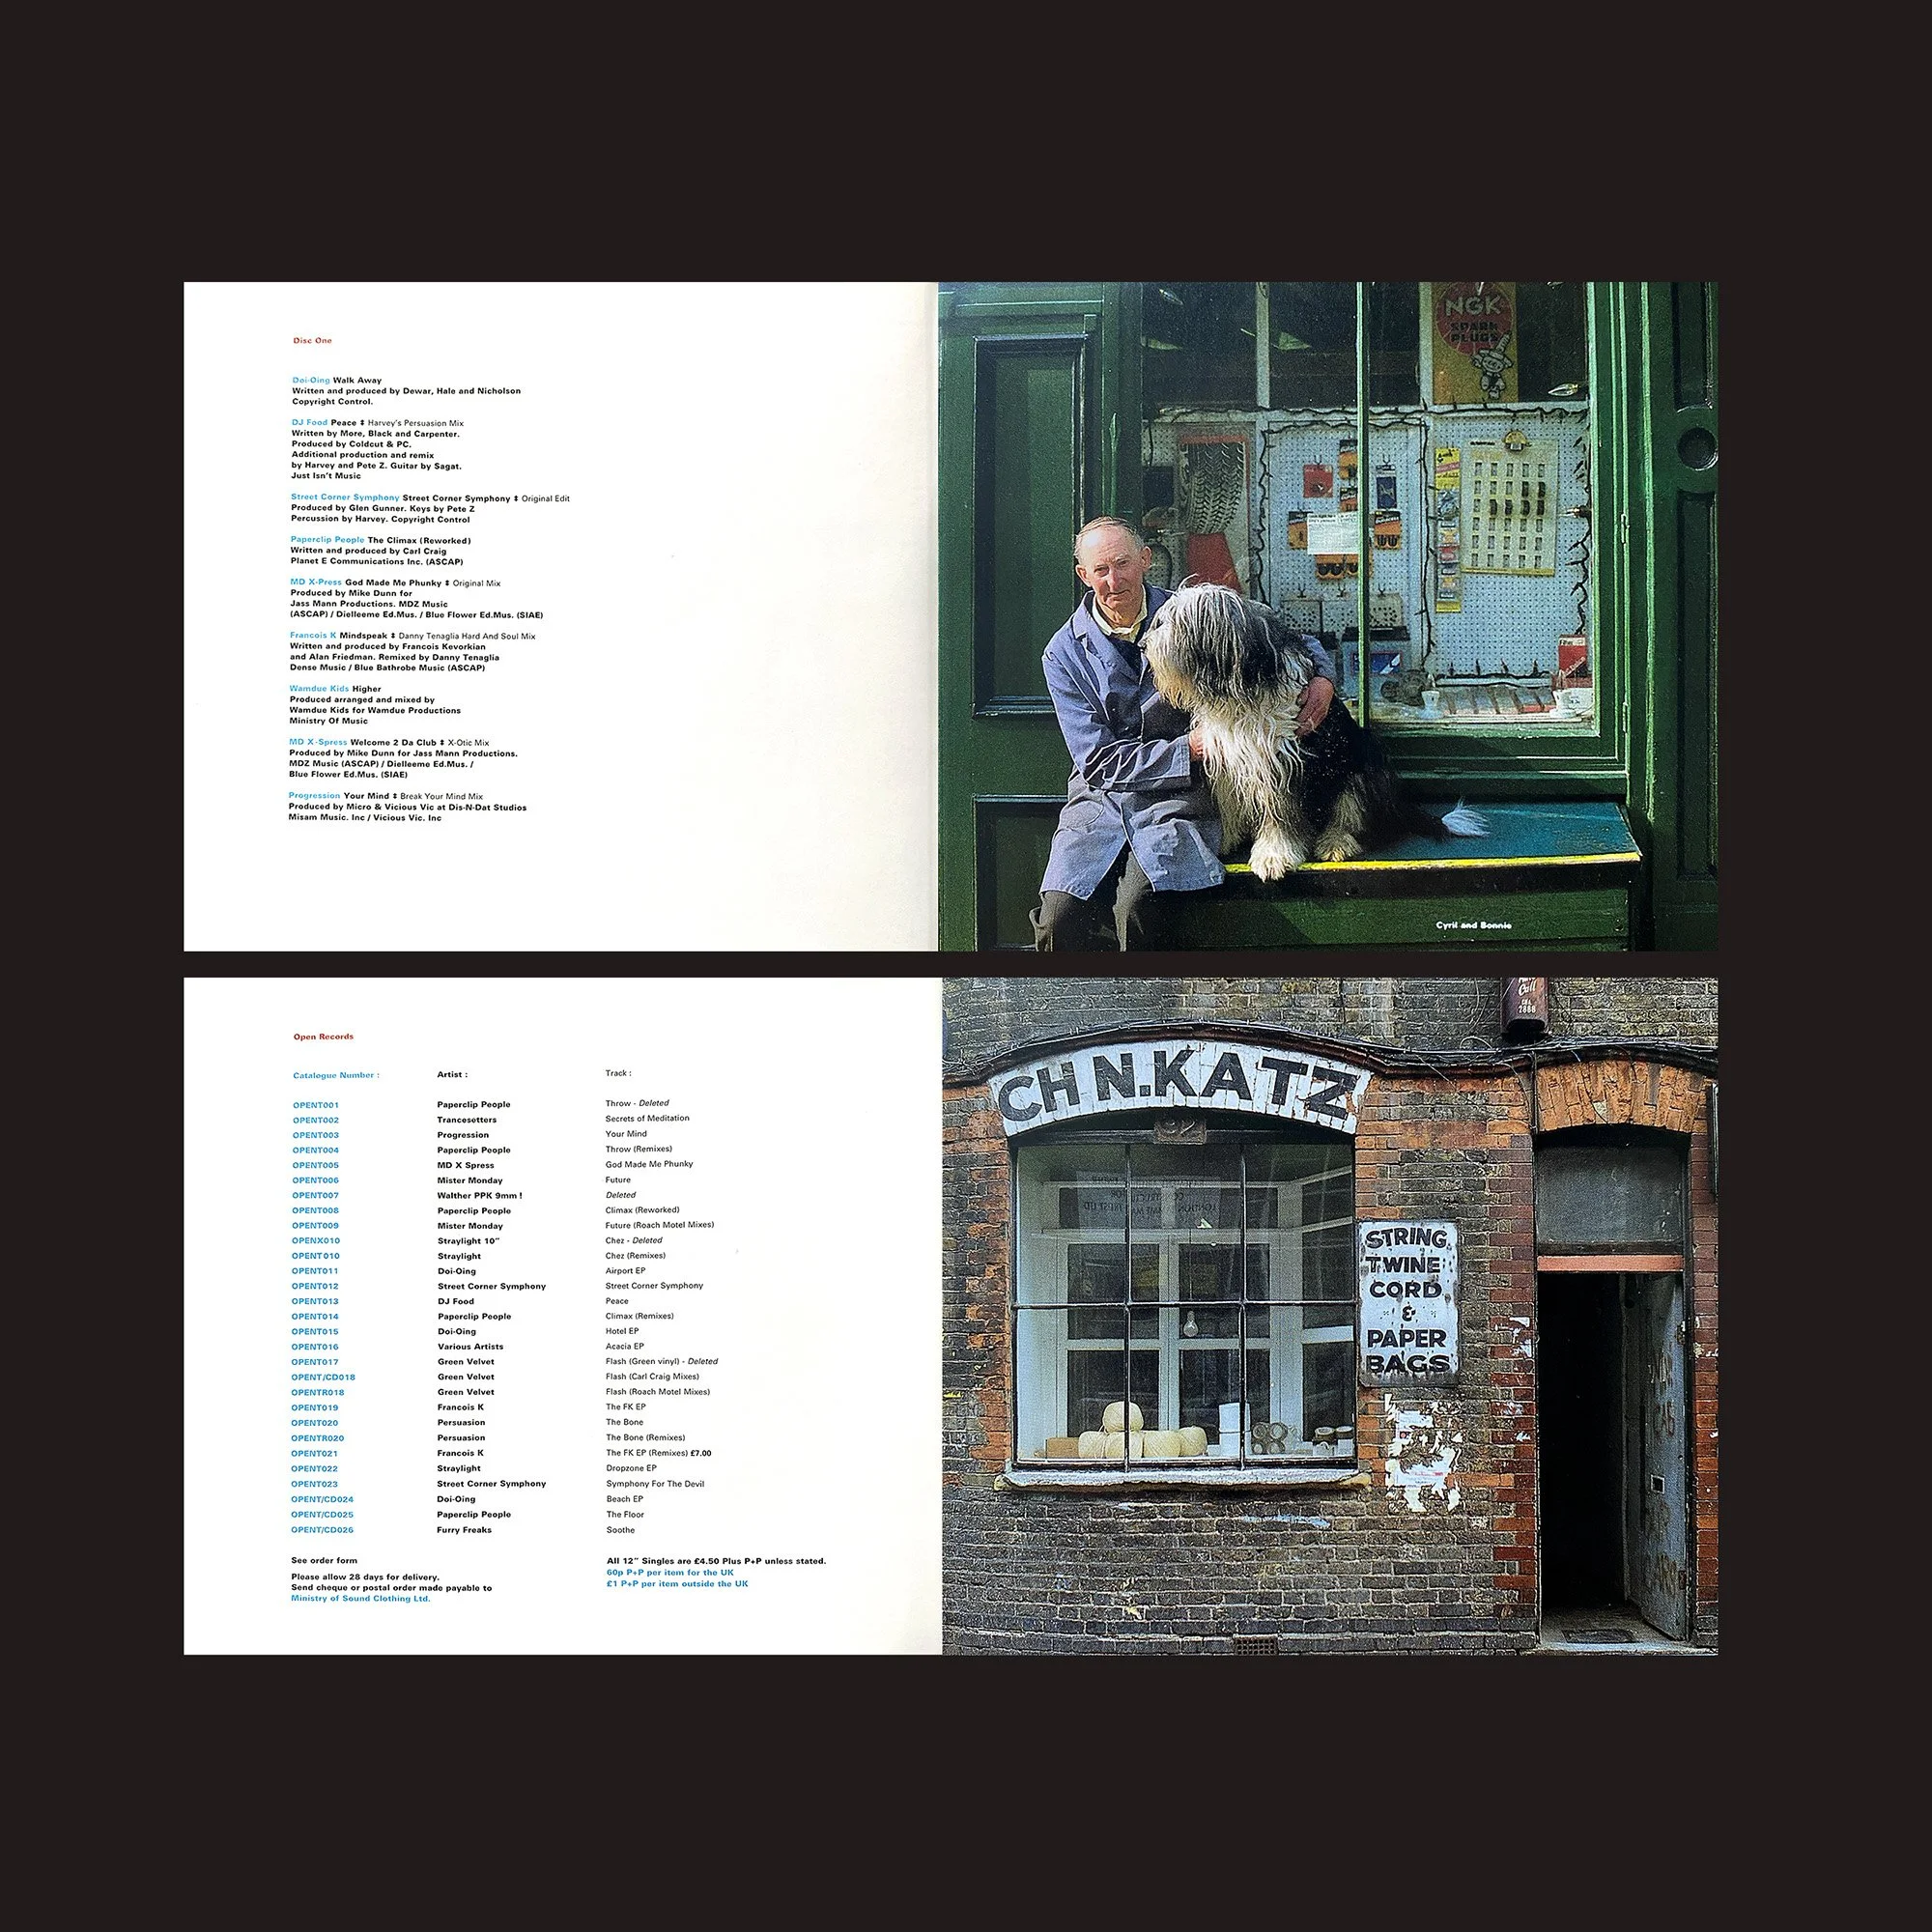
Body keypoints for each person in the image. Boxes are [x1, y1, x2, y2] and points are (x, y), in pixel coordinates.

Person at [1033, 517, 1337, 951]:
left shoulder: (1196, 612)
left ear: (1145, 560)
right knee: (1058, 921)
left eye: (1123, 564)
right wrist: (1189, 748)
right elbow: (1098, 762)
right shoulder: (1062, 653)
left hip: (1181, 799)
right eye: (1100, 570)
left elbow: (1285, 638)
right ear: (1084, 576)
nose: (1113, 580)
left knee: (1138, 911)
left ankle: (1150, 1012)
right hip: (1102, 803)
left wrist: (1323, 678)